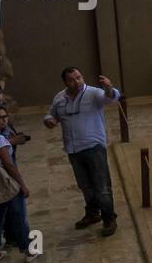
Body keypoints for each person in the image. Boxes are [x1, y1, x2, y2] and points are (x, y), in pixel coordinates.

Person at [44, 67, 121, 236]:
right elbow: (51, 115)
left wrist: (108, 87)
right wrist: (49, 121)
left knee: (102, 186)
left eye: (79, 77)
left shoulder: (93, 94)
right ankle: (93, 214)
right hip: (73, 149)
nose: (77, 81)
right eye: (72, 79)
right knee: (85, 185)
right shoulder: (60, 98)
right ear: (66, 82)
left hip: (94, 147)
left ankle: (109, 219)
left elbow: (112, 97)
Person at [0, 106, 38, 263]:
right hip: (7, 182)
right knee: (19, 214)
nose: (4, 120)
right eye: (0, 118)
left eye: (5, 116)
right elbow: (9, 165)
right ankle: (28, 250)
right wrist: (22, 185)